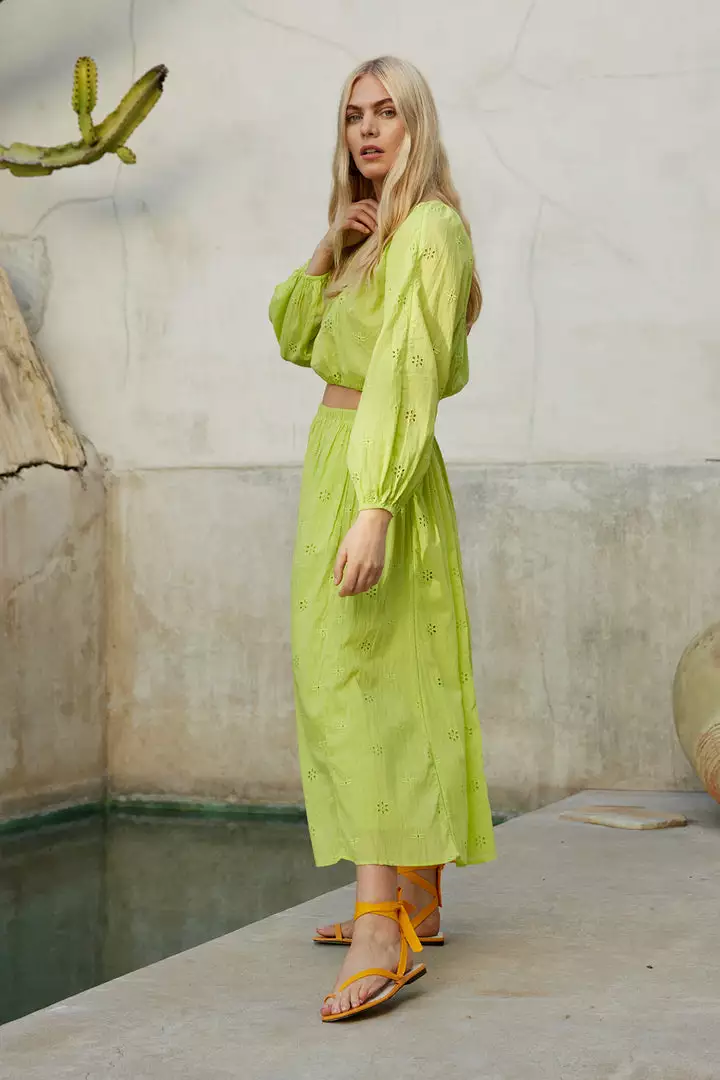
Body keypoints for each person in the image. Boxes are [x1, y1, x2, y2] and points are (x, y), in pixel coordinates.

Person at [268, 55, 497, 1023]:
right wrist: (330, 246)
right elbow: (293, 335)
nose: (367, 130)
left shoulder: (433, 229)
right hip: (337, 459)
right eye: (354, 115)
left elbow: (407, 374)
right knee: (366, 677)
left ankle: (380, 928)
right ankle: (417, 894)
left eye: (386, 113)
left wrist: (377, 504)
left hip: (378, 468)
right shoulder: (370, 234)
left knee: (358, 686)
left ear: (417, 125)